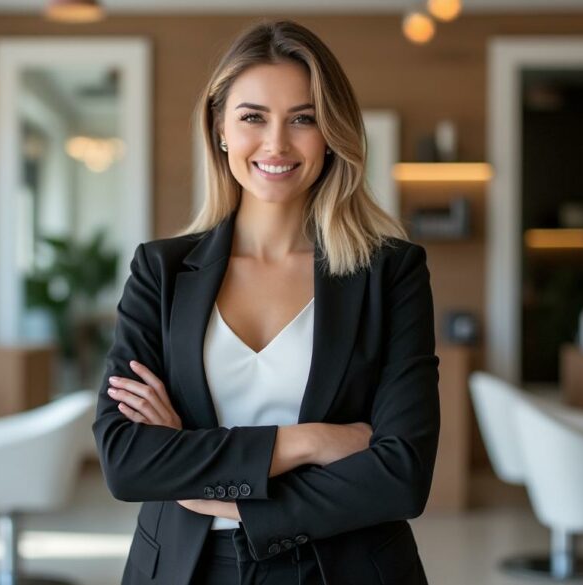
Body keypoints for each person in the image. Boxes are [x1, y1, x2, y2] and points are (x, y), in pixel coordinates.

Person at [93, 19, 439, 585]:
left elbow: (402, 474)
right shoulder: (160, 271)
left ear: (331, 133)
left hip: (345, 568)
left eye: (303, 118)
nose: (276, 143)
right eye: (253, 117)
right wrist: (311, 442)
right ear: (220, 129)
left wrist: (210, 476)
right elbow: (127, 462)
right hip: (184, 568)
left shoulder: (390, 273)